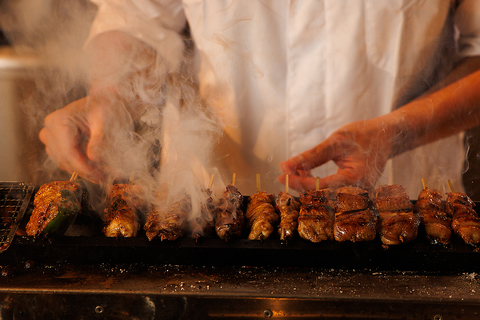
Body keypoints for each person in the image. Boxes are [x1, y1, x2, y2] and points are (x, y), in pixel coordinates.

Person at [39, 0, 480, 197]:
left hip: (400, 198)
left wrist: (396, 132)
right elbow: (135, 18)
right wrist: (111, 97)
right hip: (211, 202)